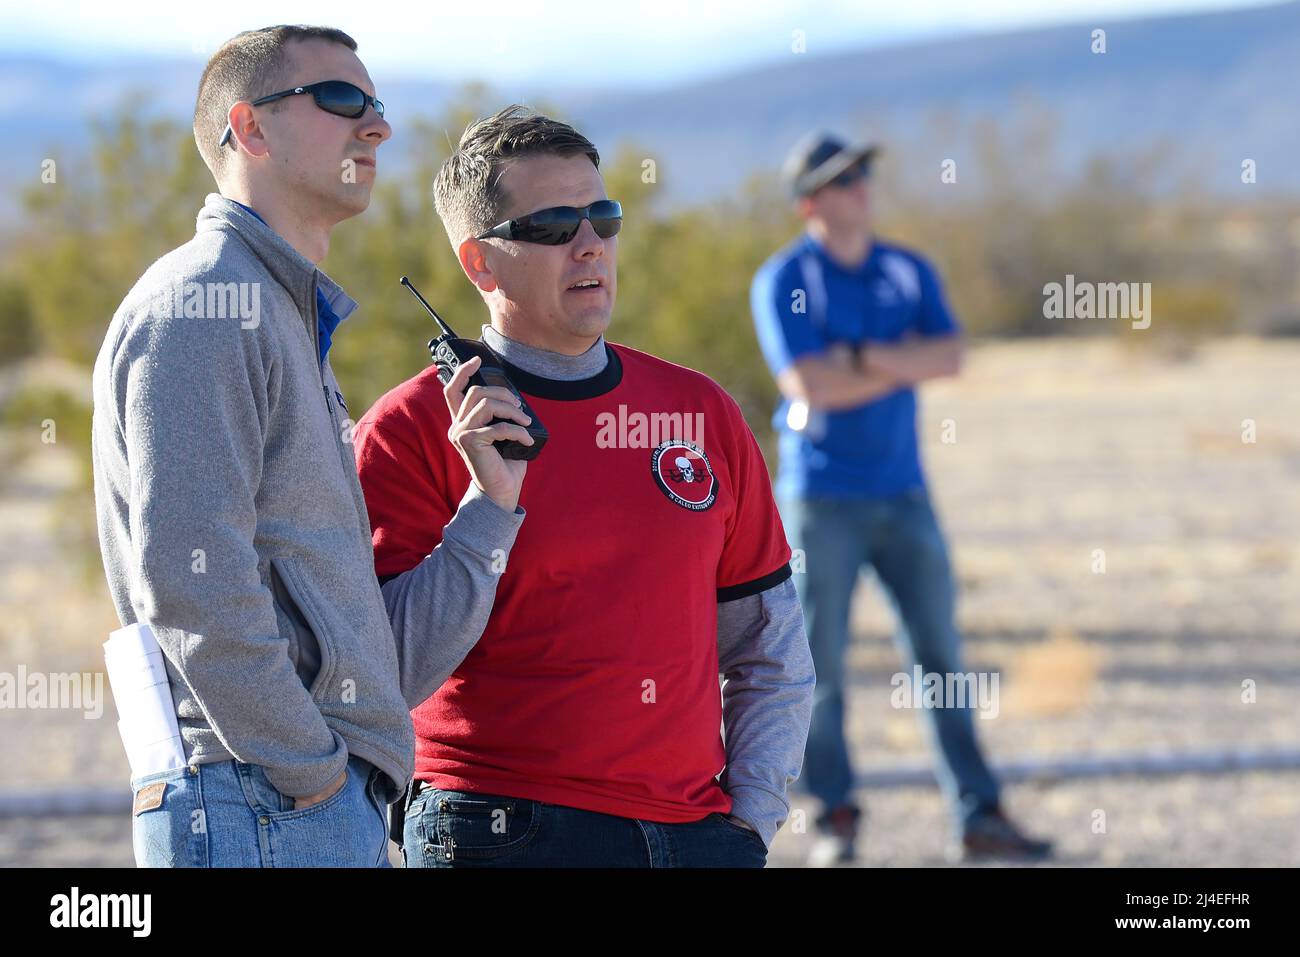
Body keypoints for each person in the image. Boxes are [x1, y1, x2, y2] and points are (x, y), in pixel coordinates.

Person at [92, 24, 513, 867]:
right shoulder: (202, 305)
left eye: (379, 105)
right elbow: (188, 577)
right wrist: (309, 769)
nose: (377, 126)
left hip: (294, 801)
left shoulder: (275, 312)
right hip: (258, 797)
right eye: (342, 100)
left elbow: (362, 649)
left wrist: (490, 506)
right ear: (250, 129)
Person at [353, 105, 814, 867]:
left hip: (699, 833)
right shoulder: (405, 431)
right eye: (553, 225)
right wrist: (488, 504)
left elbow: (770, 644)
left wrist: (751, 820)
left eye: (602, 217)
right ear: (479, 263)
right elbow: (384, 671)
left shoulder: (700, 411)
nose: (589, 244)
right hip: (501, 830)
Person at [749, 132, 1053, 864]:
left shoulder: (907, 268)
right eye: (844, 177)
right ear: (809, 201)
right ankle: (835, 815)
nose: (862, 186)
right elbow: (809, 384)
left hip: (905, 493)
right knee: (815, 665)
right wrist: (898, 364)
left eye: (864, 174)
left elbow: (950, 356)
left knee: (943, 659)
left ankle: (978, 816)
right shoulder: (785, 278)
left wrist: (859, 358)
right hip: (822, 499)